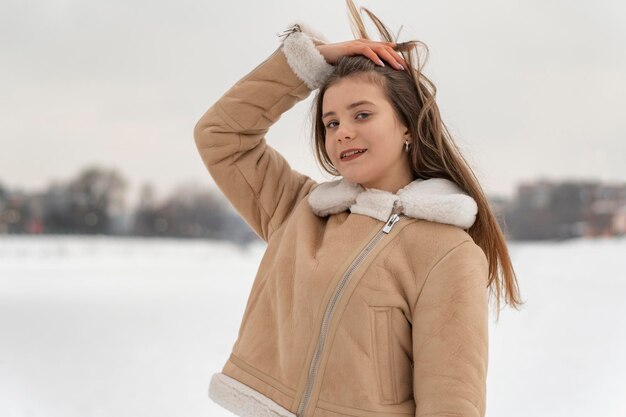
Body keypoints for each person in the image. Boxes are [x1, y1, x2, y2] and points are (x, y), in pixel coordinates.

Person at [193, 2, 522, 416]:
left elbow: (452, 401)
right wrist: (310, 63)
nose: (343, 132)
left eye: (362, 114)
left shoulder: (447, 253)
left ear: (406, 125)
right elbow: (222, 136)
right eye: (331, 123)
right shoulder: (300, 211)